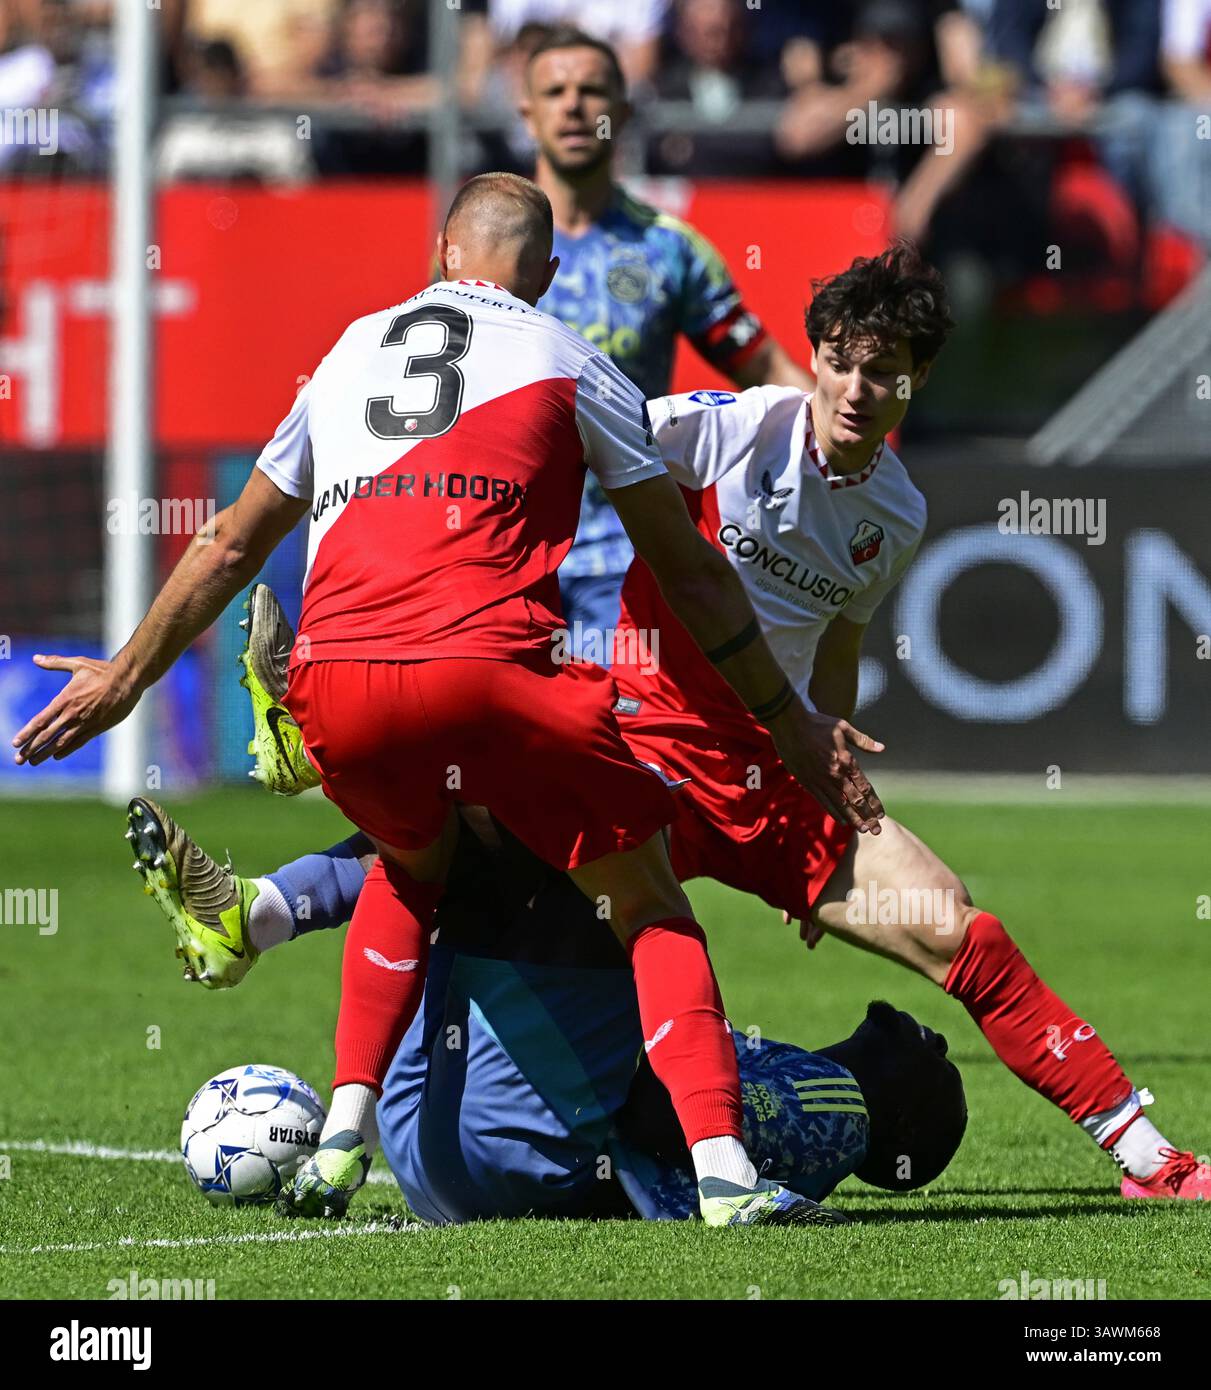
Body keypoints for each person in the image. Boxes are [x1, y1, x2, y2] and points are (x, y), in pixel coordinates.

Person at [181, 241, 1208, 1203]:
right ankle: (267, 890)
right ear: (814, 357)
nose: (857, 389)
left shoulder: (894, 513)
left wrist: (824, 777)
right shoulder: (725, 428)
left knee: (959, 930)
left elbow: (836, 652)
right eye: (841, 363)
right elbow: (573, 444)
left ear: (917, 380)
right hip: (640, 747)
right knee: (466, 832)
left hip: (769, 775)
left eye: (884, 372)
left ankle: (1147, 1158)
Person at [13, 173, 887, 1229]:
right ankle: (724, 1178)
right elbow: (693, 573)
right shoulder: (571, 357)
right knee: (650, 905)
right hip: (491, 671)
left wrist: (124, 675)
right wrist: (787, 721)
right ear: (548, 276)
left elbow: (231, 543)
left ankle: (337, 1134)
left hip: (338, 674)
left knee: (408, 863)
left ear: (440, 251)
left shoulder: (346, 352)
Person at [124, 796, 967, 1223]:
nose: (919, 1034)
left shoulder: (834, 1112)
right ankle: (269, 897)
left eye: (925, 1051)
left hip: (456, 1148)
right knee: (541, 842)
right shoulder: (815, 1095)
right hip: (496, 1155)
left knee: (491, 834)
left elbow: (654, 1119)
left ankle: (268, 901)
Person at [519, 25, 813, 650]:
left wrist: (840, 441)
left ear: (623, 113)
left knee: (617, 718)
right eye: (555, 92)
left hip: (626, 563)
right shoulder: (484, 242)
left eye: (592, 91)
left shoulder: (670, 249)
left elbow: (767, 370)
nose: (573, 106)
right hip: (505, 557)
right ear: (527, 114)